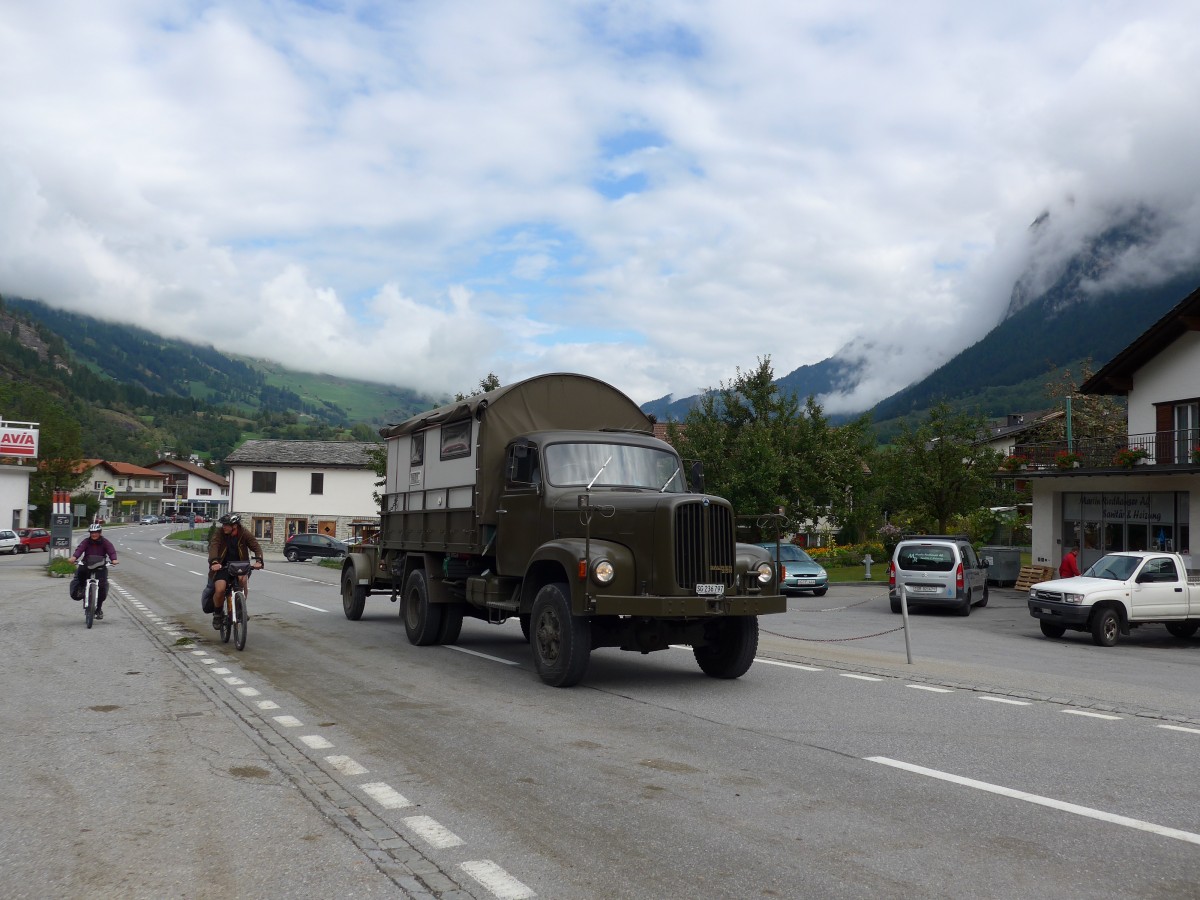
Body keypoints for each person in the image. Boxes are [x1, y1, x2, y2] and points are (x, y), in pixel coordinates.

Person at [208, 514, 263, 629]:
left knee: (242, 581)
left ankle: (241, 609)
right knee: (220, 589)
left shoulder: (244, 533)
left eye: (226, 525)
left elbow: (256, 546)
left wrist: (259, 561)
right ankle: (217, 614)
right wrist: (214, 562)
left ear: (235, 526)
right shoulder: (219, 533)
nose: (224, 527)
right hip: (223, 566)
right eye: (223, 524)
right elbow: (214, 546)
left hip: (240, 566)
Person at [69, 523, 119, 619]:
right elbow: (79, 549)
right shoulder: (86, 541)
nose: (94, 534)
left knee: (102, 588)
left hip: (100, 566)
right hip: (87, 565)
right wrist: (74, 557)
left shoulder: (105, 542)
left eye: (96, 532)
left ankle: (98, 609)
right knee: (80, 573)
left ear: (100, 533)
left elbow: (111, 550)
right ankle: (81, 588)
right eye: (92, 532)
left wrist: (114, 559)